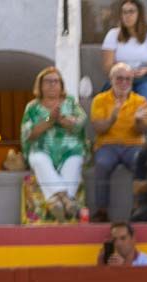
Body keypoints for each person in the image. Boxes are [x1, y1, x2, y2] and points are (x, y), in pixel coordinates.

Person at [21, 66, 88, 222]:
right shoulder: (33, 107)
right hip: (42, 148)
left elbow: (80, 123)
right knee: (38, 160)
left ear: (61, 85)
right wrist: (49, 119)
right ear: (40, 85)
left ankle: (55, 202)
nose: (52, 85)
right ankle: (67, 200)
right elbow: (29, 132)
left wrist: (64, 120)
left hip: (70, 149)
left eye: (56, 81)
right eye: (48, 81)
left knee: (75, 161)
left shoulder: (70, 102)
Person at [91, 63, 147, 223]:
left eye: (127, 79)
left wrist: (139, 121)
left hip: (133, 144)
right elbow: (98, 128)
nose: (123, 83)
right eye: (119, 79)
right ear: (111, 80)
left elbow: (143, 130)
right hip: (107, 144)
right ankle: (102, 210)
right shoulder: (100, 99)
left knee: (140, 161)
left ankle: (139, 207)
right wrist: (112, 118)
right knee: (102, 163)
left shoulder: (141, 101)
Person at [102, 0, 147, 99]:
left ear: (140, 14)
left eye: (131, 11)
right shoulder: (113, 34)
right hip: (120, 78)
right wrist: (125, 72)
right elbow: (107, 66)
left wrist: (146, 70)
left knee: (146, 92)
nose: (127, 16)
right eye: (124, 12)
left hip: (144, 78)